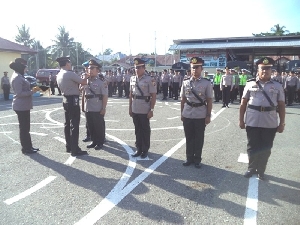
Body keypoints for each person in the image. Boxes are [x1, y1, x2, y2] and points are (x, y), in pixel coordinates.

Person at [239, 57, 285, 180]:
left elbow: (281, 106)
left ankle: (261, 170)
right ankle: (251, 168)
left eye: (268, 69)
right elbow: (243, 103)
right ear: (258, 70)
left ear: (271, 70)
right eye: (262, 69)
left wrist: (282, 123)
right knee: (252, 146)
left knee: (266, 147)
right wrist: (241, 120)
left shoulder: (278, 86)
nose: (265, 71)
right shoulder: (250, 84)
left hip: (270, 122)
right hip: (252, 120)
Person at [180, 57, 213, 168]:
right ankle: (189, 158)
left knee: (199, 138)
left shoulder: (207, 83)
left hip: (200, 114)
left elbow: (209, 100)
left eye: (197, 67)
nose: (195, 70)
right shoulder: (185, 82)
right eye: (193, 68)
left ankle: (197, 159)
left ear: (201, 68)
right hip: (188, 113)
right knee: (189, 137)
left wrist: (208, 115)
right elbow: (183, 99)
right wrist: (182, 113)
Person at [56, 56, 89, 157]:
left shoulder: (59, 74)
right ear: (66, 64)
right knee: (74, 124)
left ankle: (69, 146)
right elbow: (83, 82)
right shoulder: (69, 73)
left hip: (65, 99)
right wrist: (86, 76)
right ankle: (75, 149)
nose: (70, 65)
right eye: (69, 63)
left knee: (67, 124)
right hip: (73, 100)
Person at [10, 58, 40, 154]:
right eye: (25, 67)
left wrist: (31, 89)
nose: (26, 69)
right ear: (21, 68)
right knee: (24, 128)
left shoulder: (19, 76)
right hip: (20, 106)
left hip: (23, 105)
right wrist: (32, 91)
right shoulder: (17, 77)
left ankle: (29, 147)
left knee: (26, 128)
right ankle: (26, 148)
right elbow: (19, 93)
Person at [129, 58, 156, 158]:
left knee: (145, 129)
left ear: (144, 68)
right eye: (135, 68)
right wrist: (130, 108)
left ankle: (145, 149)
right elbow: (131, 95)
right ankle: (138, 148)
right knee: (137, 129)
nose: (137, 70)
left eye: (139, 68)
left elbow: (153, 95)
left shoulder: (149, 79)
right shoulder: (132, 79)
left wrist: (151, 110)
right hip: (135, 107)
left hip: (145, 108)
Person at [82, 60, 108, 150]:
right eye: (89, 68)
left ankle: (100, 142)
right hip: (88, 107)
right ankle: (94, 141)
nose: (90, 70)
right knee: (90, 125)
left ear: (97, 70)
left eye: (92, 68)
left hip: (97, 107)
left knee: (98, 126)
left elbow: (105, 96)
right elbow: (80, 89)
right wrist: (85, 79)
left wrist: (104, 108)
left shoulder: (101, 81)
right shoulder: (86, 80)